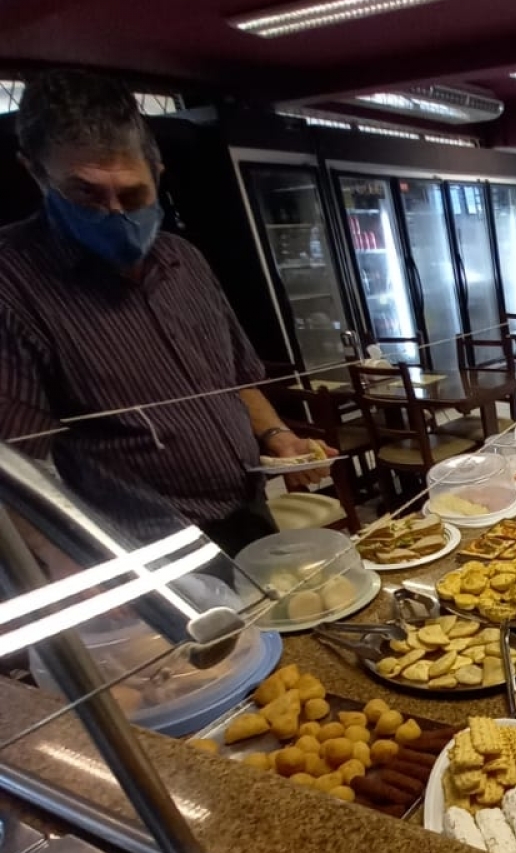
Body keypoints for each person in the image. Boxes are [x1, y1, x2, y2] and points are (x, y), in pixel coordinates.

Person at [0, 68, 331, 556]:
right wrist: (63, 571)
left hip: (247, 508)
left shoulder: (184, 260)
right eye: (86, 194)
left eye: (133, 194)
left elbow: (236, 379)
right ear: (36, 173)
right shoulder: (12, 282)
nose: (115, 213)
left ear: (156, 172)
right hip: (138, 550)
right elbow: (15, 472)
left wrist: (277, 434)